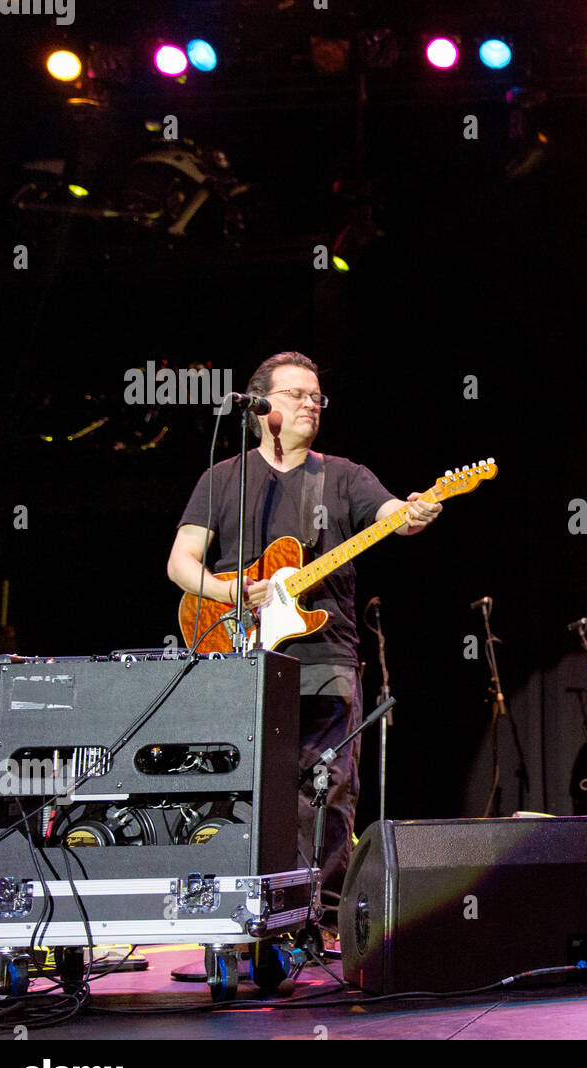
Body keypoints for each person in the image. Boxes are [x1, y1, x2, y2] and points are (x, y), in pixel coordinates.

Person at [167, 351, 441, 901]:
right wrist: (231, 592)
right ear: (261, 406)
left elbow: (389, 513)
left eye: (317, 397)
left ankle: (320, 913)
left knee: (326, 788)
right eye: (296, 394)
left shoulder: (341, 476)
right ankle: (236, 912)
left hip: (323, 658)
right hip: (233, 654)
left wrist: (410, 513)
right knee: (235, 787)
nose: (311, 404)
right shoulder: (223, 479)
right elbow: (181, 562)